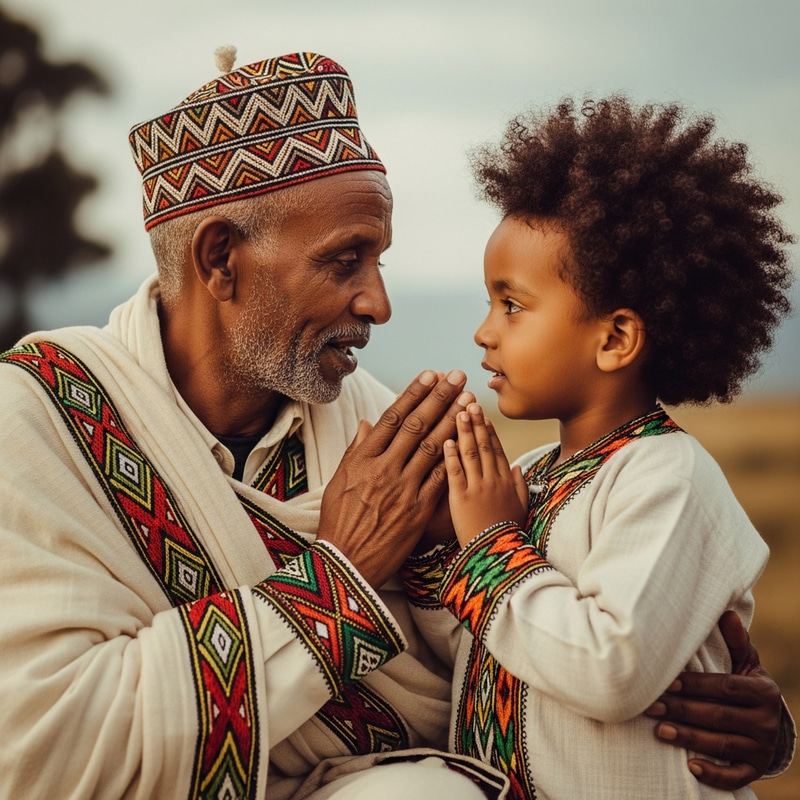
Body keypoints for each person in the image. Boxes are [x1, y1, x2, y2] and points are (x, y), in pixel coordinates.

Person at [0, 52, 789, 800]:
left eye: (379, 261)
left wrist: (707, 702)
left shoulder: (384, 430)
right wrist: (337, 584)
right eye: (346, 261)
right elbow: (41, 748)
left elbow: (511, 662)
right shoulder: (40, 422)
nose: (379, 303)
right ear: (219, 260)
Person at [400, 96, 796, 799]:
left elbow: (611, 669)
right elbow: (484, 644)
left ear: (615, 339)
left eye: (512, 305)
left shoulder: (668, 479)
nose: (484, 333)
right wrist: (443, 549)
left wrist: (489, 542)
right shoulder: (526, 477)